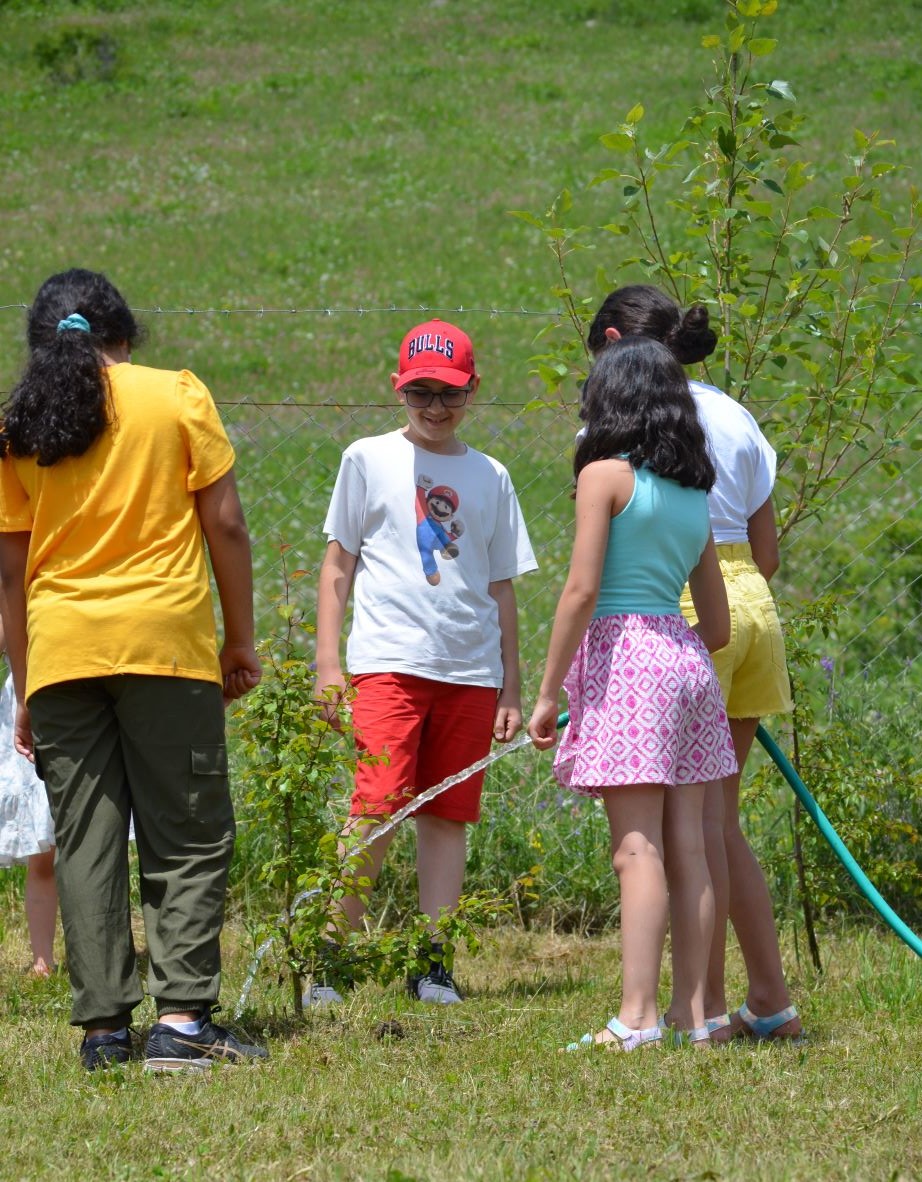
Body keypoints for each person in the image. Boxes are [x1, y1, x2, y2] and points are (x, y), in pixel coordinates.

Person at [0, 268, 268, 1072]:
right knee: (184, 828)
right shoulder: (176, 395)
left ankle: (105, 1032)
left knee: (85, 838)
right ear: (124, 335)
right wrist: (239, 641)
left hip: (59, 653)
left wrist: (23, 685)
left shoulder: (17, 424)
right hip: (166, 645)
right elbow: (224, 524)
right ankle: (183, 1024)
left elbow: (10, 575)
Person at [587, 284, 803, 1042]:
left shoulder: (637, 416)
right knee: (721, 821)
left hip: (668, 611)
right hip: (753, 610)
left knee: (690, 829)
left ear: (615, 344)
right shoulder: (736, 414)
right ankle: (767, 999)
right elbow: (767, 554)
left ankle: (697, 1010)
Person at [314, 318, 537, 1005]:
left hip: (470, 672)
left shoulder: (491, 475)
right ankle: (331, 960)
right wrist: (328, 662)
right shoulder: (367, 458)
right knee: (376, 807)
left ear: (474, 391)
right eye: (421, 395)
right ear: (397, 390)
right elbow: (337, 566)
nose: (435, 408)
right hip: (389, 663)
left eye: (450, 394)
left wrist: (511, 687)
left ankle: (431, 962)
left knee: (446, 814)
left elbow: (502, 587)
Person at [528, 336, 737, 1050]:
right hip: (685, 661)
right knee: (691, 844)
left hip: (629, 657)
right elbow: (717, 621)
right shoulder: (692, 494)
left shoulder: (603, 477)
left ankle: (637, 1017)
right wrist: (671, 645)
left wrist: (548, 691)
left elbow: (582, 589)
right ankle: (694, 1013)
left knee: (636, 848)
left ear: (607, 403)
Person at [0, 616, 58, 977]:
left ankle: (108, 951)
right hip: (27, 709)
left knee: (99, 846)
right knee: (43, 852)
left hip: (73, 693)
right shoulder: (10, 578)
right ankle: (42, 960)